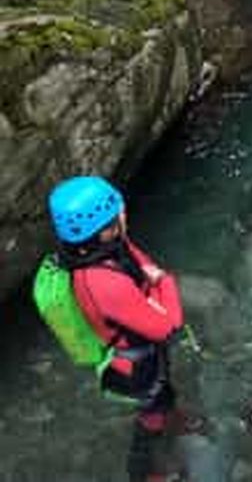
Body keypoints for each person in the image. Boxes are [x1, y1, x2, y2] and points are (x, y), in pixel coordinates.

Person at [45, 175, 187, 482]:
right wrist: (164, 281)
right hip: (136, 364)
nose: (125, 212)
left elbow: (138, 260)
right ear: (105, 228)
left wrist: (151, 278)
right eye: (118, 211)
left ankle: (173, 417)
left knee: (162, 396)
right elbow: (168, 326)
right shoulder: (103, 282)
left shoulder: (99, 247)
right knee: (151, 411)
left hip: (140, 345)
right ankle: (143, 473)